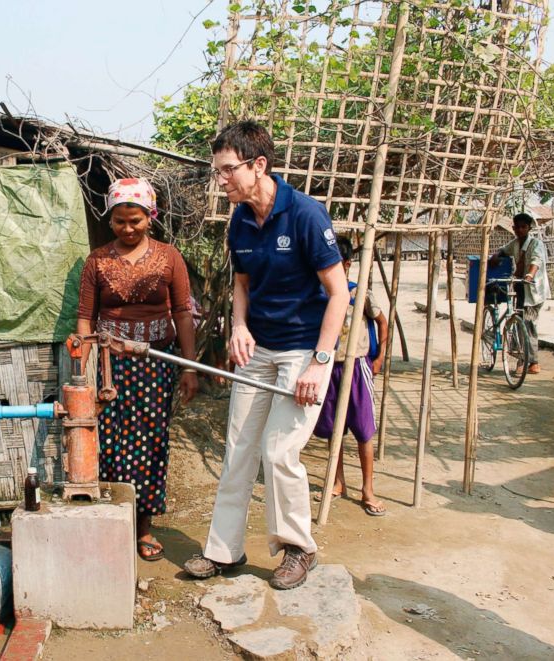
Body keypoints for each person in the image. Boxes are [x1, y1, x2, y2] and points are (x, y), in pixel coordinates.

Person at [183, 120, 347, 590]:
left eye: (228, 170)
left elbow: (338, 294)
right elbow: (242, 283)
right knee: (238, 449)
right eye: (217, 172)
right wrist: (238, 326)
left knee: (279, 451)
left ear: (259, 165)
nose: (221, 181)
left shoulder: (306, 215)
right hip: (260, 348)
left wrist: (321, 360)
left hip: (303, 351)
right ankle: (224, 551)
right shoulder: (239, 220)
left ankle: (299, 548)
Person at [76, 177, 198, 562]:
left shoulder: (169, 257)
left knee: (150, 443)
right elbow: (85, 317)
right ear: (110, 220)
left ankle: (143, 526)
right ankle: (115, 522)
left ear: (151, 217)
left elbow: (182, 311)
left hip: (156, 366)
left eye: (136, 221)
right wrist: (84, 369)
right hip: (110, 368)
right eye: (119, 222)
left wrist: (190, 368)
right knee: (110, 443)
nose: (128, 229)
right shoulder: (97, 260)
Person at [313, 236, 389, 516]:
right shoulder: (320, 293)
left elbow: (382, 321)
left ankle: (368, 489)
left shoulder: (359, 294)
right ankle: (338, 480)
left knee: (364, 431)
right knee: (335, 431)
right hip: (331, 366)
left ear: (346, 264)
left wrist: (379, 357)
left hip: (357, 366)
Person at [489, 212, 550, 374]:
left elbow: (536, 261)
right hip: (520, 288)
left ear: (529, 228)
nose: (521, 230)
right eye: (518, 227)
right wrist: (496, 255)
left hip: (533, 290)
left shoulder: (536, 244)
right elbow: (504, 250)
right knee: (519, 321)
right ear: (514, 228)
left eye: (524, 227)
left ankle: (530, 361)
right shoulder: (515, 244)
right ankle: (525, 360)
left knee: (528, 324)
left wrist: (529, 275)